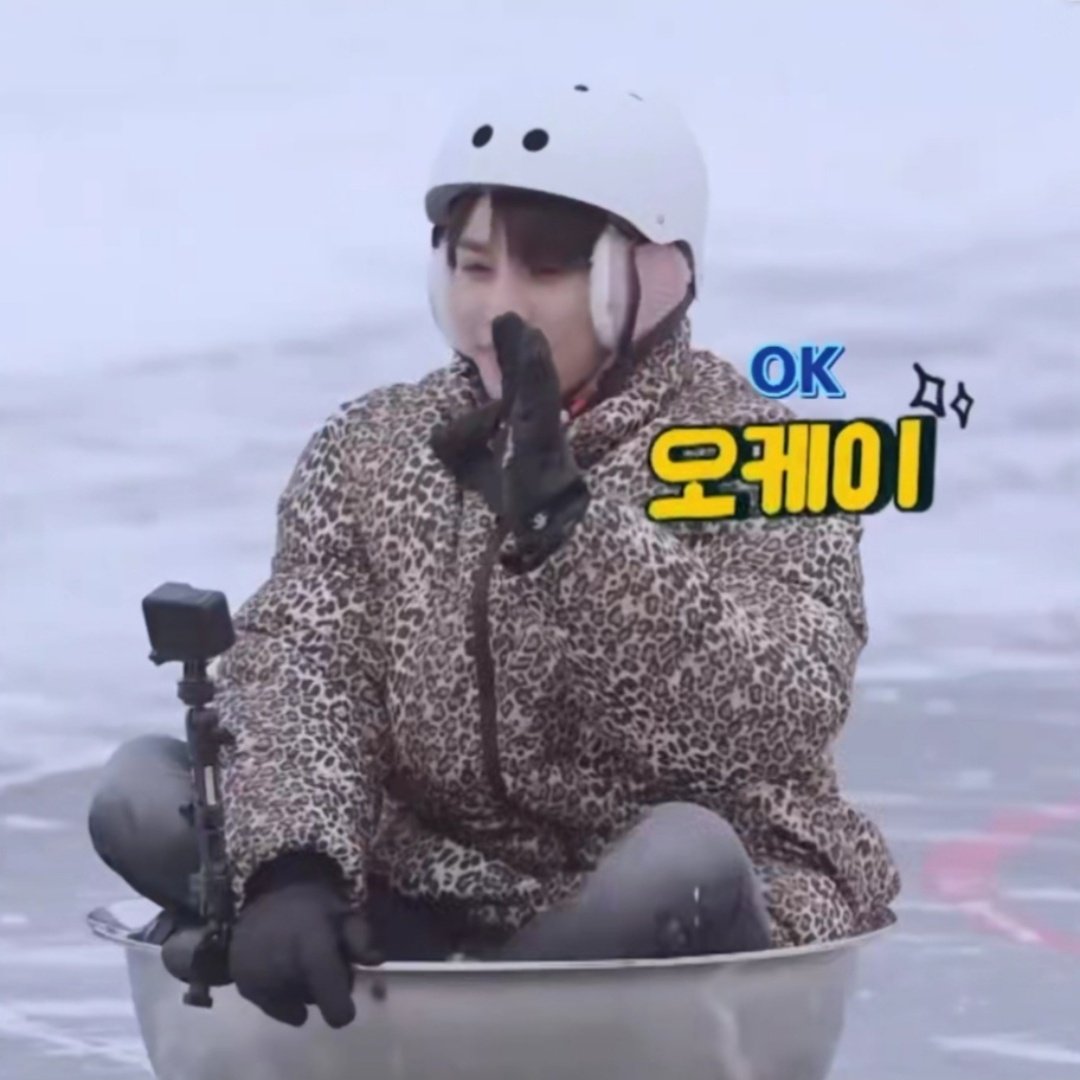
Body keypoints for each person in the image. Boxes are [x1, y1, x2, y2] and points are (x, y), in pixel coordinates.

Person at [88, 80, 900, 1029]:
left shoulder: (763, 454)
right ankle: (428, 966)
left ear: (653, 280)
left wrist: (575, 535)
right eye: (473, 267)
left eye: (546, 270)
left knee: (688, 857)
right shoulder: (374, 446)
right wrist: (293, 867)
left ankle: (473, 1024)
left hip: (657, 896)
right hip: (428, 878)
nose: (496, 307)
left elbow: (770, 717)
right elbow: (308, 662)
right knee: (141, 793)